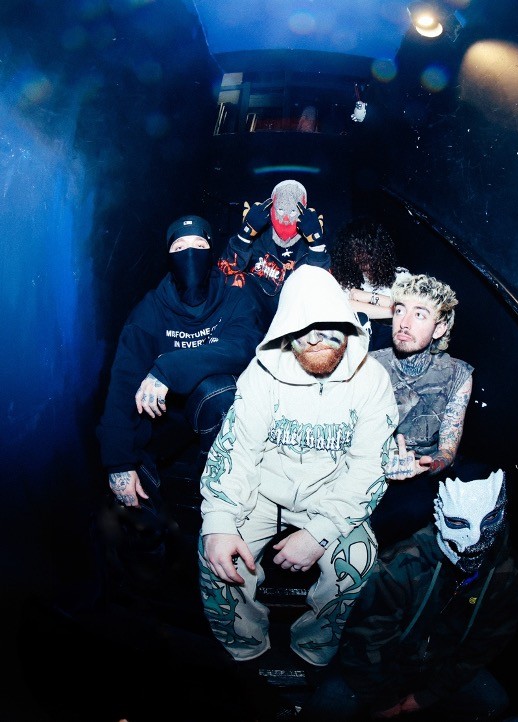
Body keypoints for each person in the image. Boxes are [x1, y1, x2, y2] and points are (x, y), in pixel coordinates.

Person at [197, 264, 400, 669]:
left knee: (358, 560)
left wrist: (320, 532)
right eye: (306, 330)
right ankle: (245, 646)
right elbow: (236, 450)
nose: (318, 340)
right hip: (262, 494)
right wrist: (218, 520)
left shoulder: (371, 380)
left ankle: (314, 646)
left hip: (331, 496)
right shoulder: (263, 375)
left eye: (330, 329)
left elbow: (369, 469)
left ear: (348, 325)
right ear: (287, 331)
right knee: (215, 555)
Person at [299, 458, 518, 722]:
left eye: (489, 520)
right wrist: (383, 701)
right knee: (327, 711)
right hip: (377, 670)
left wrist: (428, 695)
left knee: (493, 702)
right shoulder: (401, 565)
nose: (474, 537)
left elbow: (486, 644)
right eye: (459, 524)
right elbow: (366, 642)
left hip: (438, 670)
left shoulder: (507, 572)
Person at [98, 214, 268, 513]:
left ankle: (218, 490)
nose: (189, 254)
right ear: (168, 257)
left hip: (220, 417)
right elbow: (123, 384)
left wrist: (167, 368)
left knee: (218, 391)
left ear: (211, 252)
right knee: (131, 508)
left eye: (199, 245)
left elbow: (242, 347)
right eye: (179, 248)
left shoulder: (234, 299)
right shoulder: (150, 310)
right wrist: (118, 463)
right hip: (164, 422)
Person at [371, 272, 473, 546]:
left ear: (439, 329)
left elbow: (447, 450)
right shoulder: (370, 365)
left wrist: (427, 465)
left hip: (418, 477)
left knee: (414, 506)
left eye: (419, 314)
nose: (404, 323)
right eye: (400, 310)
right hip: (368, 466)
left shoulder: (457, 375)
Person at [217, 178, 330, 324]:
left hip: (300, 320)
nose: (286, 217)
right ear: (272, 208)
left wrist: (317, 245)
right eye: (281, 210)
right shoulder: (257, 240)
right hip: (257, 320)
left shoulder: (308, 245)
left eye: (293, 211)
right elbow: (223, 273)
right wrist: (245, 235)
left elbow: (324, 286)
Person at [331, 217, 411, 351]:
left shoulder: (401, 277)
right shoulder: (347, 279)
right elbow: (345, 306)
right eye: (356, 252)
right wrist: (396, 311)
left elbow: (412, 307)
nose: (362, 258)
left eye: (368, 252)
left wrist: (368, 297)